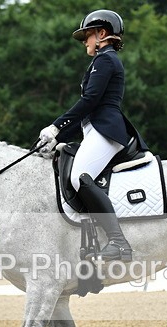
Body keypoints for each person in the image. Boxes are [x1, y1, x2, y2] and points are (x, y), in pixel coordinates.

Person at [38, 9, 135, 262]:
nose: (84, 42)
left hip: (106, 130)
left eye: (87, 36)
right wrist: (58, 138)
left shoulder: (105, 60)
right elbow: (87, 112)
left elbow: (90, 101)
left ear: (102, 34)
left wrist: (56, 126)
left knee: (80, 177)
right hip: (96, 128)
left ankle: (118, 242)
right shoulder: (102, 60)